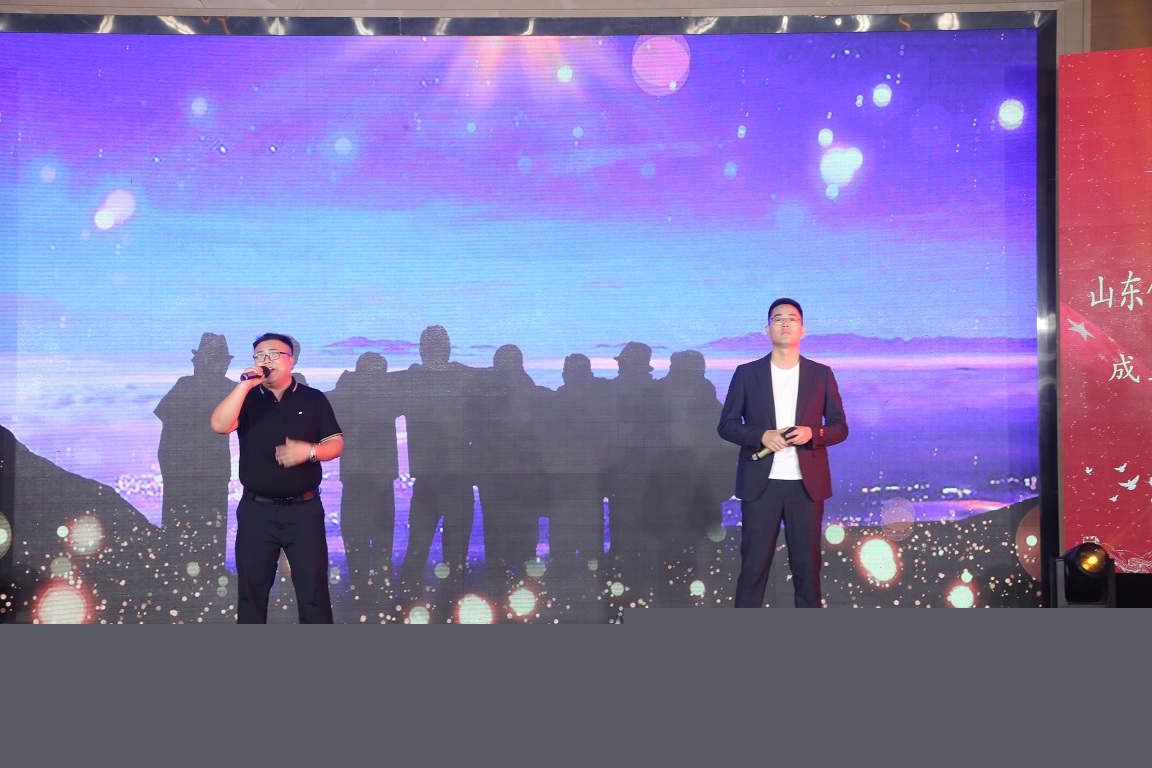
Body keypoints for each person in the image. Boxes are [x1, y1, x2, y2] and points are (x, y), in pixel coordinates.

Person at [717, 299, 848, 608]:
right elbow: (727, 425)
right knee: (753, 570)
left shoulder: (821, 374)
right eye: (778, 319)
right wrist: (762, 435)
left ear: (803, 329)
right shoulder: (747, 373)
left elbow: (839, 427)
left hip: (807, 487)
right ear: (767, 330)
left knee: (808, 572)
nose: (785, 323)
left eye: (792, 319)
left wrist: (812, 433)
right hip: (760, 486)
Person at [210, 333, 343, 623]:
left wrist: (309, 451)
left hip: (304, 511)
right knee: (251, 593)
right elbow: (219, 425)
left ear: (291, 360)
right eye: (260, 355)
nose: (265, 360)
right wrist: (245, 384)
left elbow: (335, 444)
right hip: (256, 512)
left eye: (273, 354)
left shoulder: (313, 399)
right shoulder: (246, 398)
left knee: (313, 591)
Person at [154, 333, 235, 574]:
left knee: (188, 537)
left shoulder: (189, 387)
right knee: (204, 538)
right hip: (192, 475)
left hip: (195, 475)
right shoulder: (224, 389)